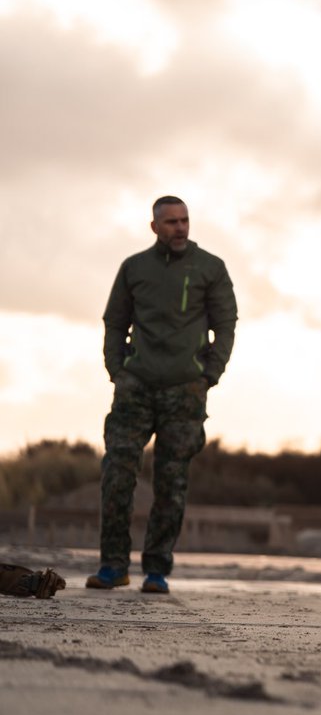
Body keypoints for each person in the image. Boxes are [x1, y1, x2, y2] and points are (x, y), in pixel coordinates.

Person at [86, 196, 237, 594]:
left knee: (172, 481)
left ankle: (156, 570)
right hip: (135, 387)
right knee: (117, 472)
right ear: (154, 227)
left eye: (185, 220)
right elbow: (115, 322)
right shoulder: (134, 269)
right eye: (171, 222)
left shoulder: (210, 268)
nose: (180, 228)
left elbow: (226, 325)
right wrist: (117, 371)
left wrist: (209, 374)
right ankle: (113, 565)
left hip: (184, 391)